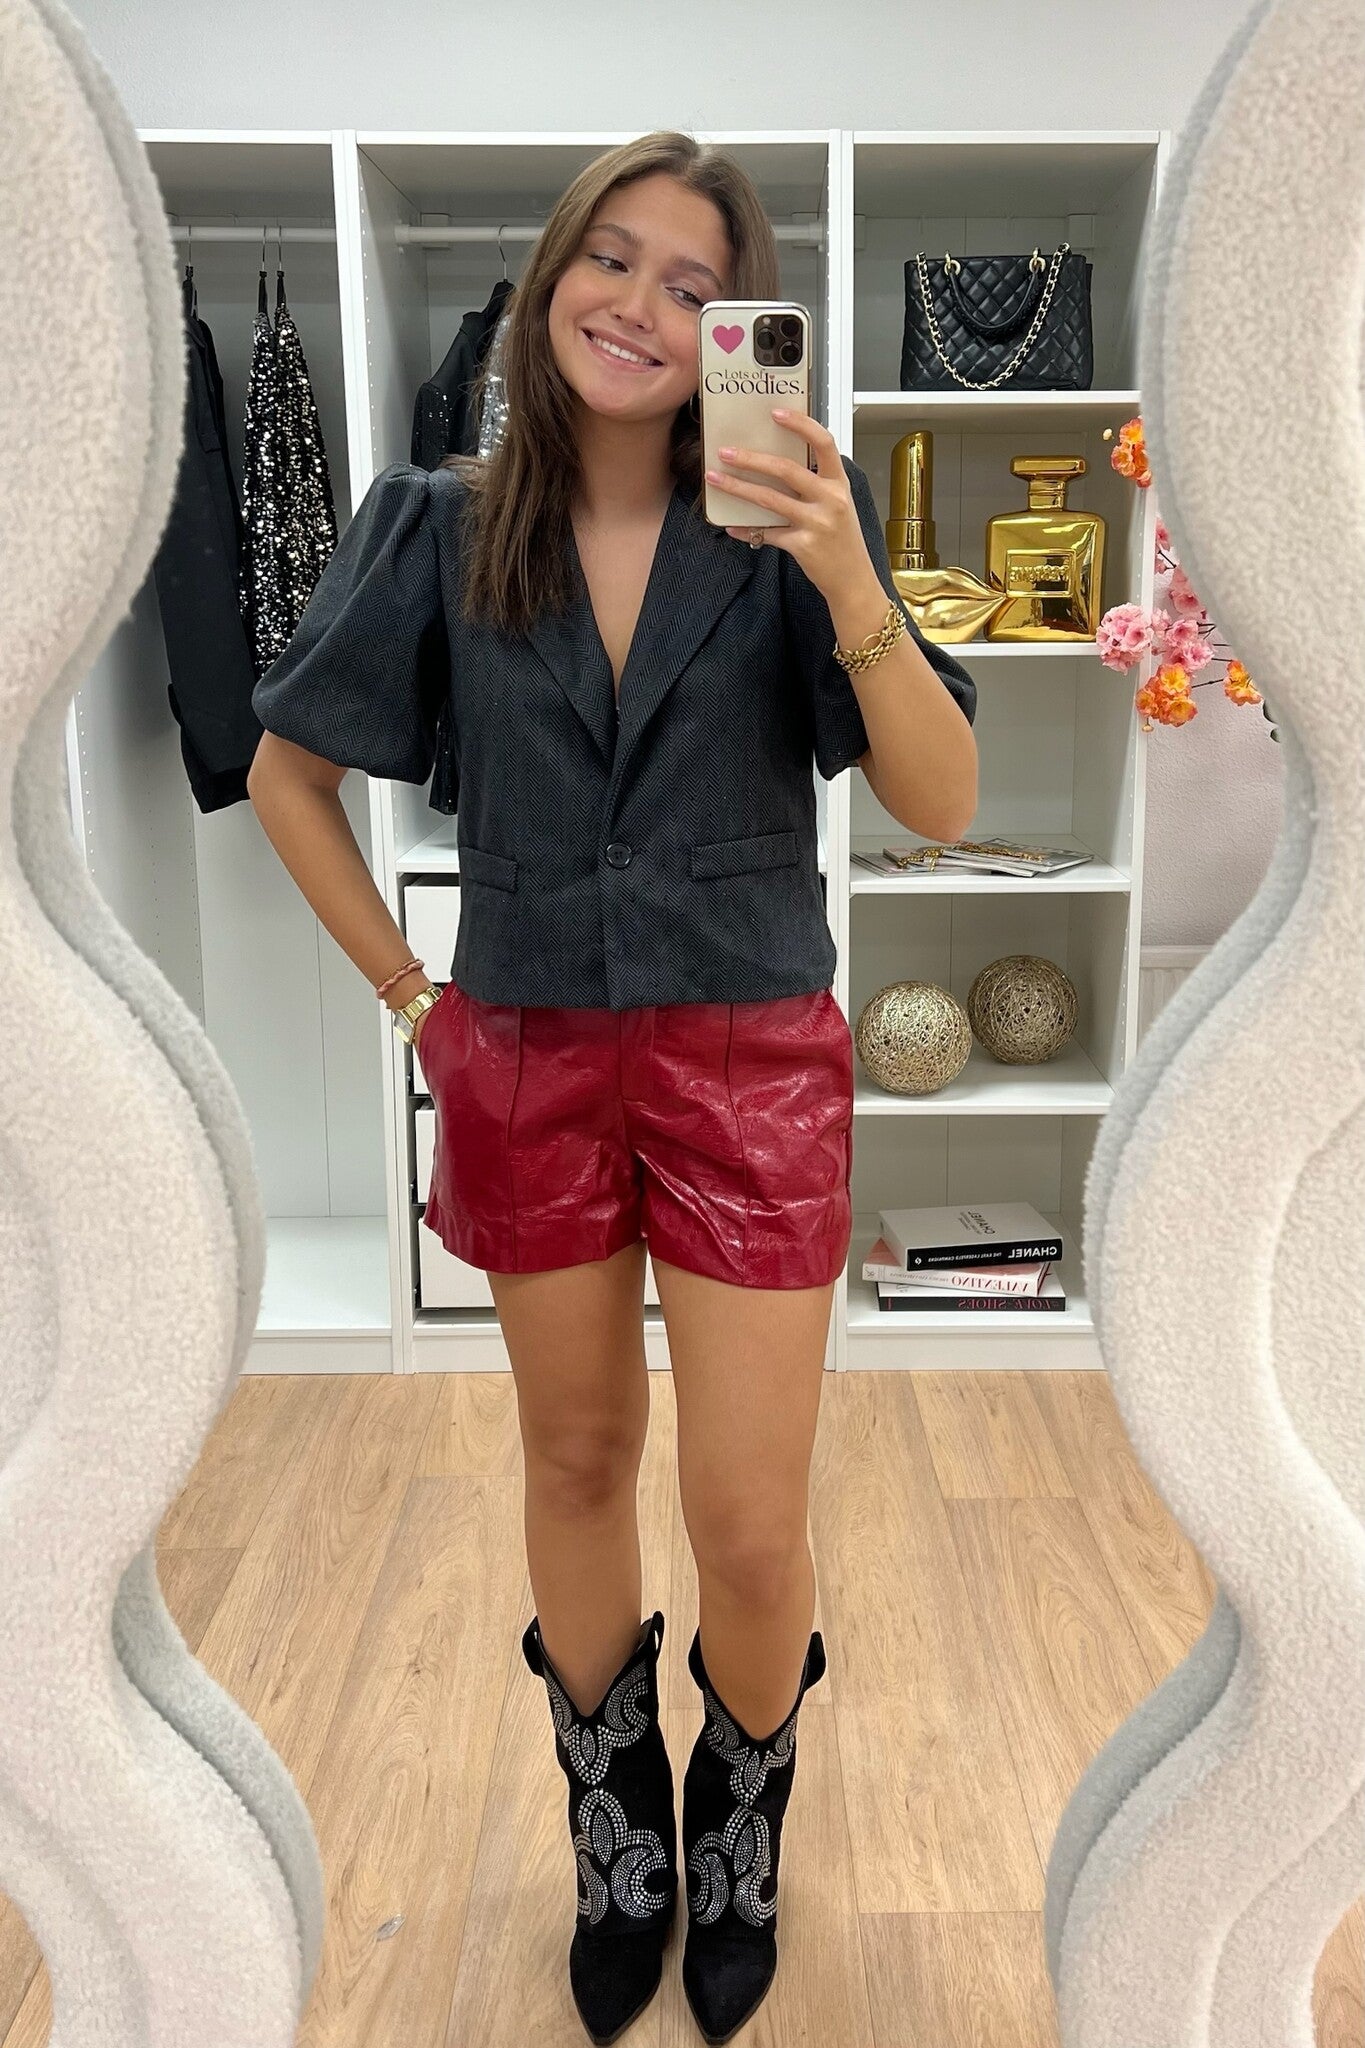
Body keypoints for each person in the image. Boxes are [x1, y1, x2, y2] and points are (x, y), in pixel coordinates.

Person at [247, 129, 977, 2048]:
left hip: (751, 1058)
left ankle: (738, 1818)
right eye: (613, 257)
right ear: (552, 273)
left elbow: (940, 797)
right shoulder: (436, 521)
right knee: (573, 1459)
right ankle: (616, 1832)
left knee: (748, 1513)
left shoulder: (792, 519)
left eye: (694, 283)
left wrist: (843, 566)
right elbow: (286, 776)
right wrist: (417, 998)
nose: (641, 303)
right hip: (525, 1054)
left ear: (740, 326)